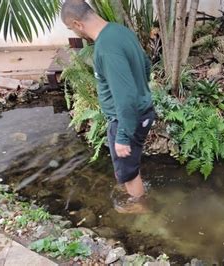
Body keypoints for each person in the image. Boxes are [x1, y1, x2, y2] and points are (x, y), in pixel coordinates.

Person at [61, 0, 156, 213]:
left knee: (128, 171)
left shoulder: (106, 49)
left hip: (128, 118)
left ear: (78, 24)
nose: (75, 34)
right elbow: (146, 65)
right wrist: (140, 88)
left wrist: (122, 135)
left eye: (71, 29)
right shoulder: (119, 31)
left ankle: (142, 210)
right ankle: (134, 192)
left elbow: (126, 96)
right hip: (138, 113)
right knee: (126, 169)